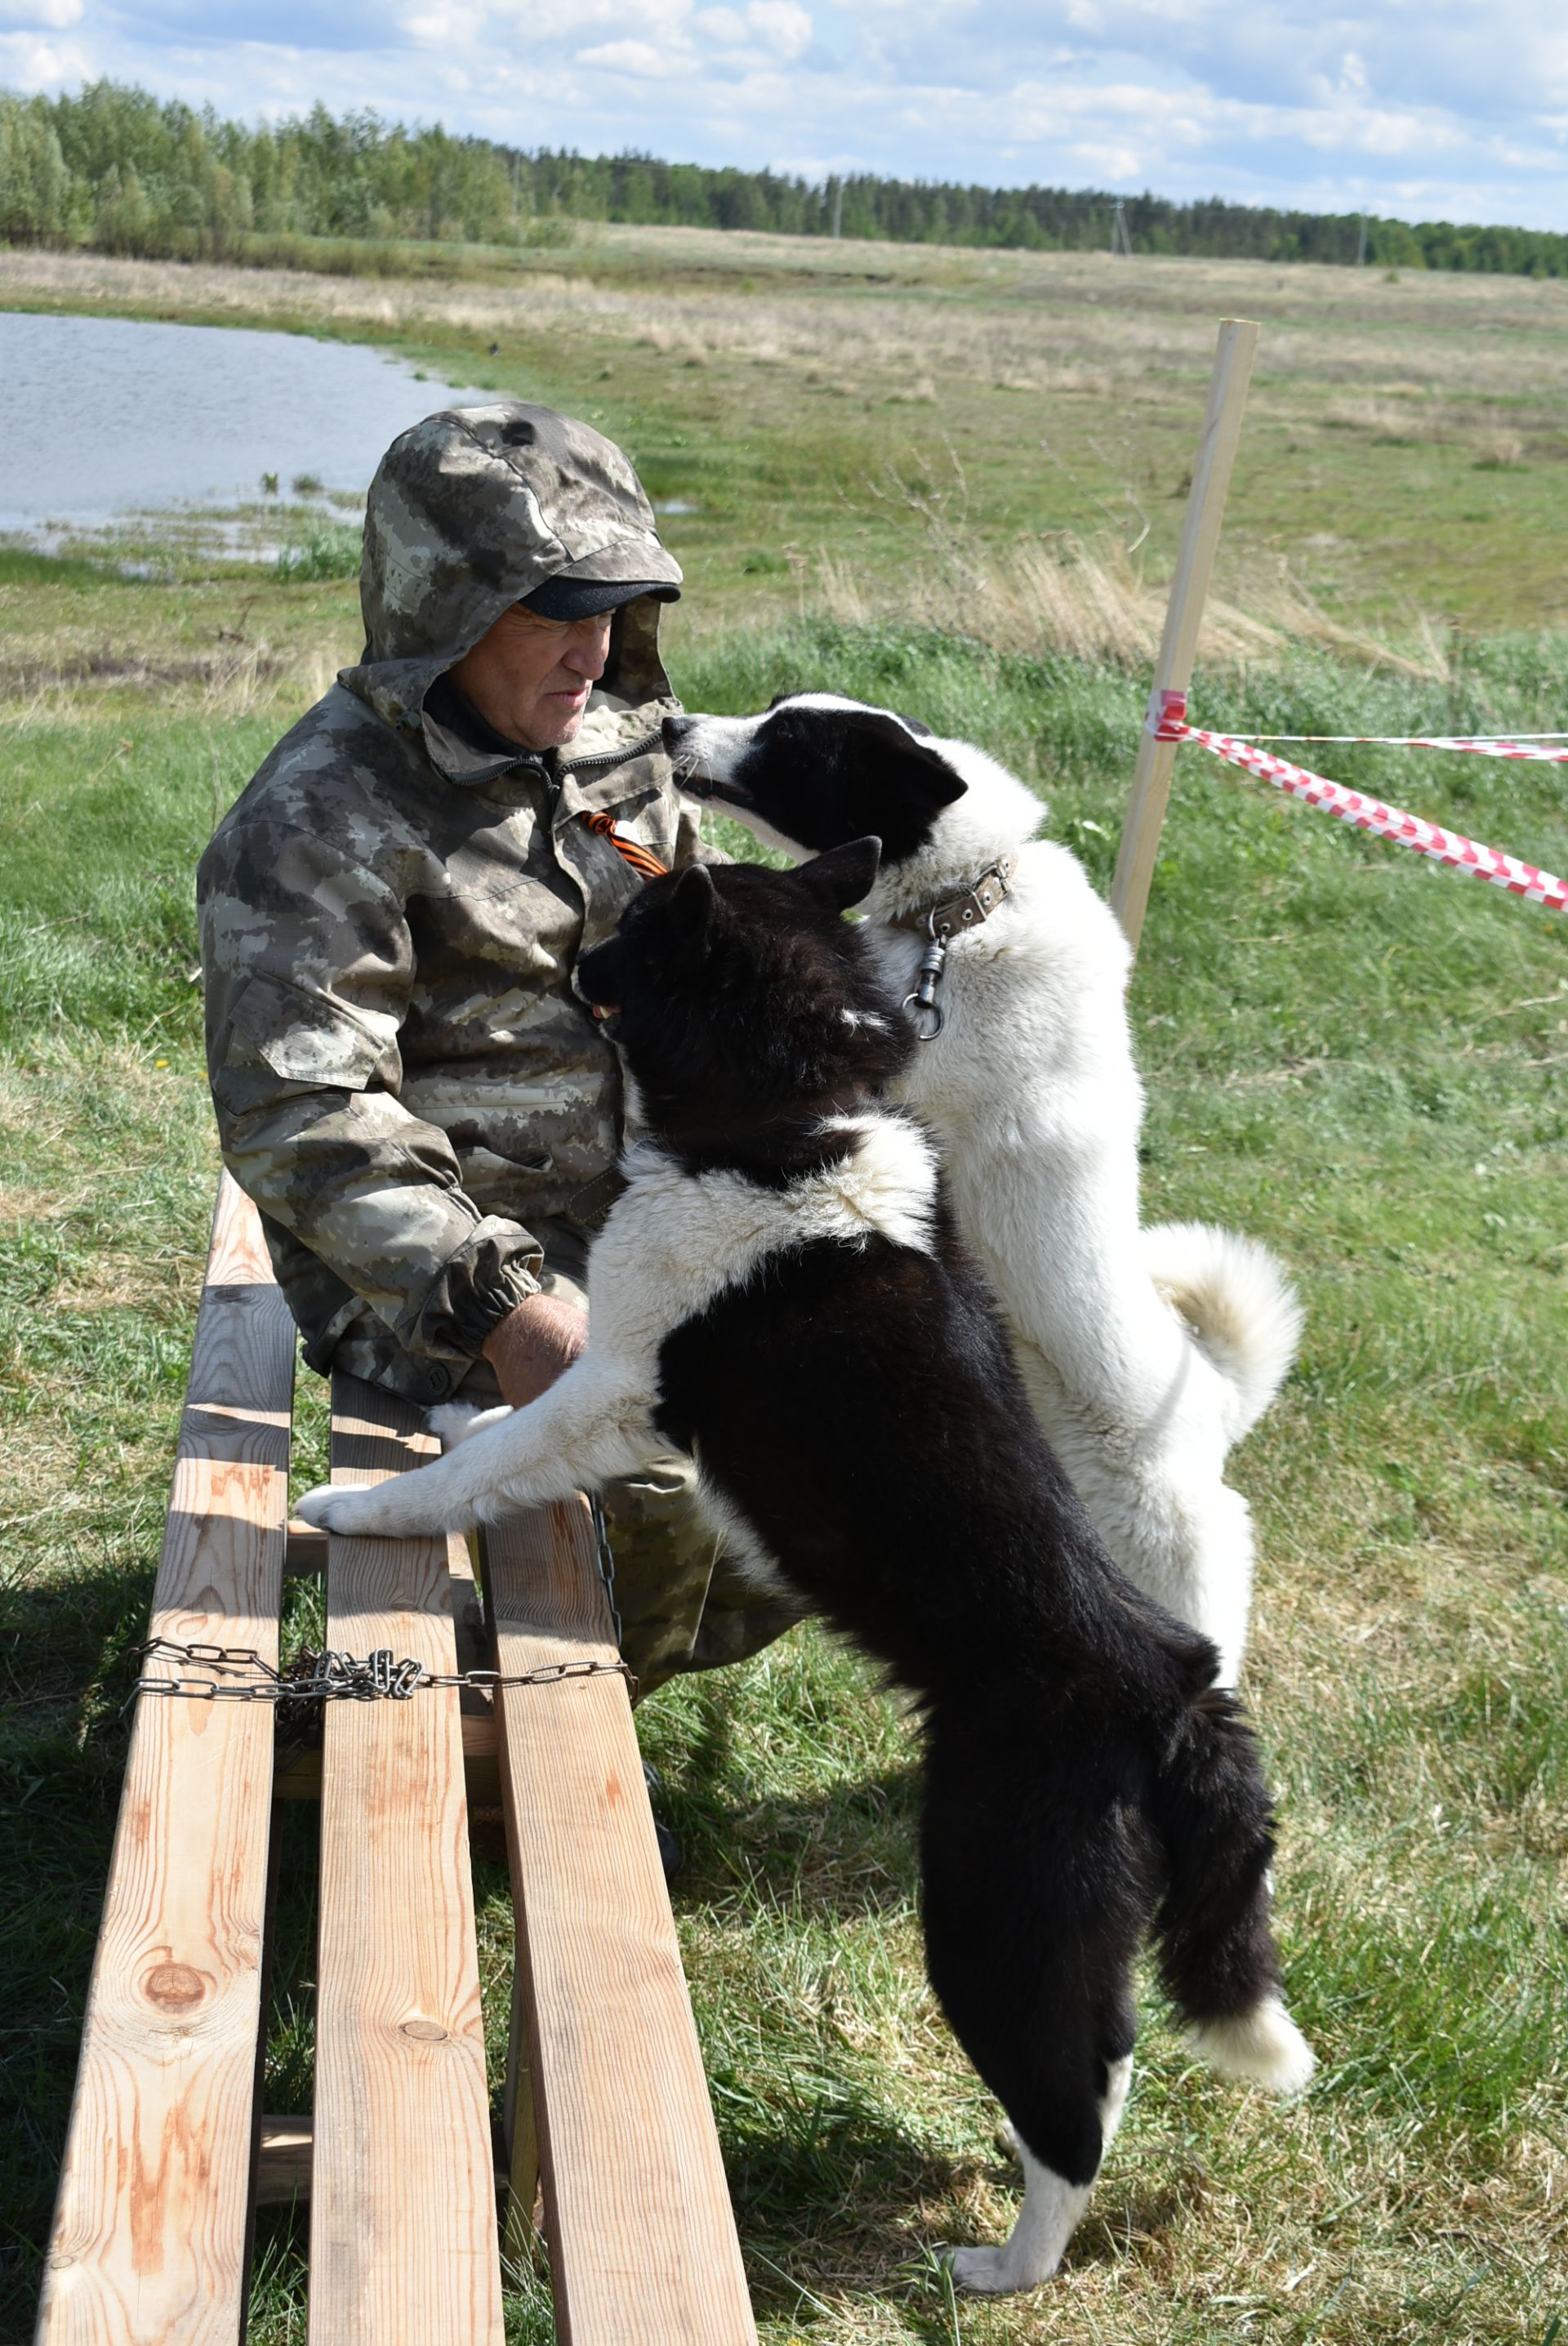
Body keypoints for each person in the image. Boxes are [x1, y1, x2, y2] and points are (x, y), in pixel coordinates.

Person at [198, 400, 797, 1688]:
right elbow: (305, 1116)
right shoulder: (316, 822)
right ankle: (555, 1711)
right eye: (553, 609)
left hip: (651, 1198)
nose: (591, 653)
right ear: (444, 608)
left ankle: (614, 1659)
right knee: (676, 1456)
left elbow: (691, 907)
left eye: (613, 610)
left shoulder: (612, 755)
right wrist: (512, 1315)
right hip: (442, 1275)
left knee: (889, 1389)